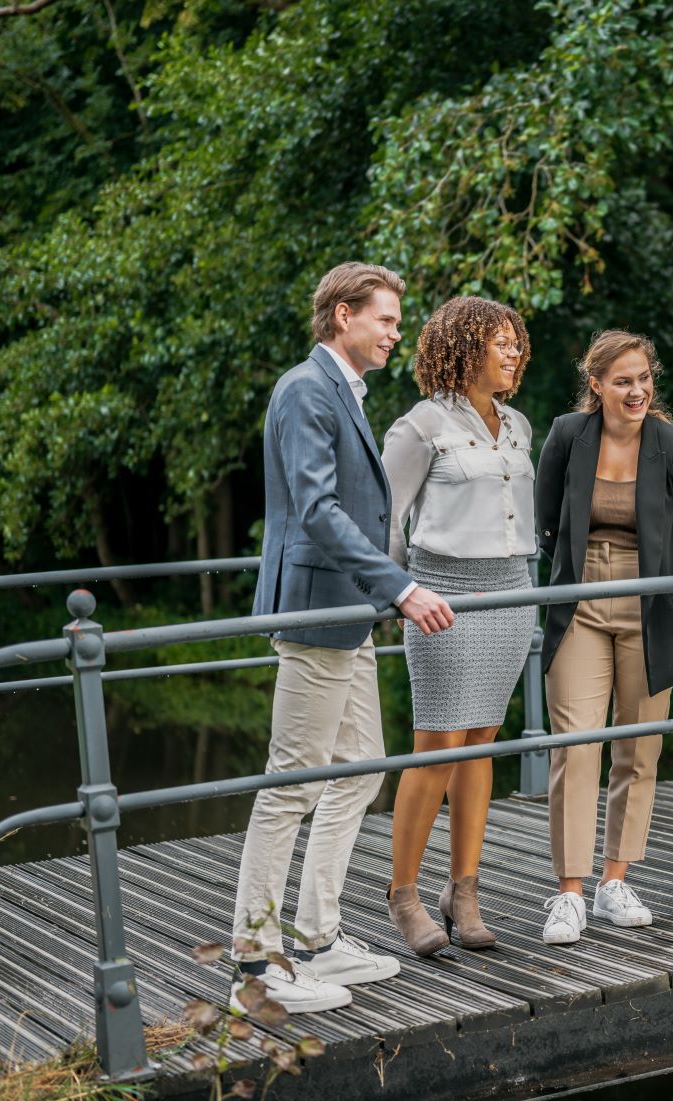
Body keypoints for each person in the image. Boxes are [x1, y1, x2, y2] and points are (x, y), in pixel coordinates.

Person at [233, 262, 455, 1013]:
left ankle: (319, 936)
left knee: (360, 767)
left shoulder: (342, 392)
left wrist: (381, 590)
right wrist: (400, 585)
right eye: (387, 319)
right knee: (290, 782)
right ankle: (256, 970)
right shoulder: (305, 389)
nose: (397, 332)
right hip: (317, 609)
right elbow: (318, 509)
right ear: (342, 317)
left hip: (349, 611)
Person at [534, 330, 673, 946]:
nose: (637, 391)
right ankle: (570, 892)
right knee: (576, 745)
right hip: (579, 599)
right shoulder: (566, 436)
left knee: (639, 748)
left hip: (651, 601)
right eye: (622, 381)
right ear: (596, 385)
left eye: (643, 379)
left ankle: (616, 880)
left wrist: (666, 586)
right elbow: (546, 521)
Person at [380, 296, 536, 956]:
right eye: (500, 341)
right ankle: (404, 895)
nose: (514, 352)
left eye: (517, 343)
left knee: (478, 744)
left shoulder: (520, 424)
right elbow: (384, 521)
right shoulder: (419, 425)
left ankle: (463, 890)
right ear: (462, 346)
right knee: (436, 744)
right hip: (442, 594)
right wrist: (397, 593)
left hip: (511, 592)